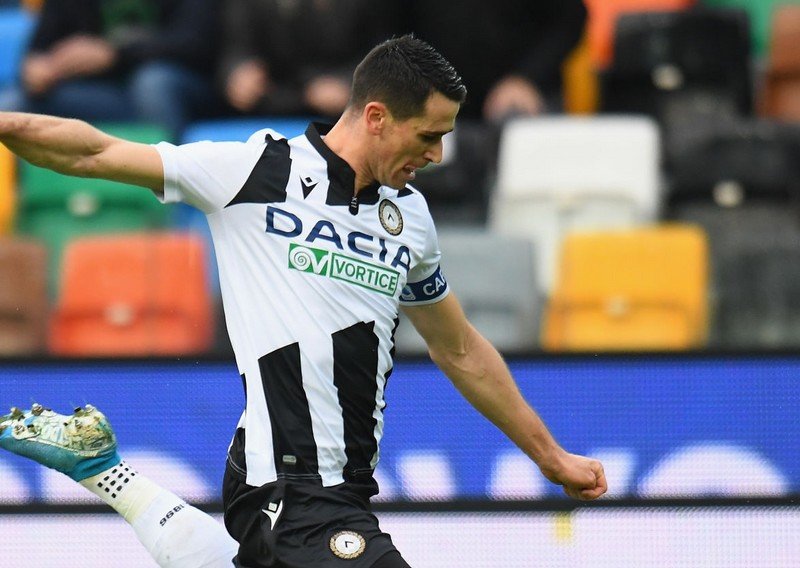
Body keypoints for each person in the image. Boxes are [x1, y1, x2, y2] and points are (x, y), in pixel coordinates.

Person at [0, 36, 607, 567]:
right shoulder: (256, 171)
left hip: (339, 488)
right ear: (376, 117)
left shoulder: (410, 217)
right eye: (428, 136)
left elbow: (461, 349)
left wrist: (550, 457)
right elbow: (93, 151)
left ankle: (107, 472)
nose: (437, 155)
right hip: (289, 482)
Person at [0, 0, 221, 139]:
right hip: (104, 96)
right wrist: (36, 70)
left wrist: (115, 54)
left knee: (153, 83)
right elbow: (37, 50)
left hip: (184, 91)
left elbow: (198, 45)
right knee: (11, 105)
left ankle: (172, 190)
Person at [385, 0, 587, 122]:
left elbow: (570, 19)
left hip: (525, 96)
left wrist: (526, 78)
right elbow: (384, 26)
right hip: (430, 93)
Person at [218, 0, 393, 119]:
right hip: (268, 105)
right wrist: (238, 71)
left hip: (340, 112)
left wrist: (349, 84)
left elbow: (383, 49)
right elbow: (236, 45)